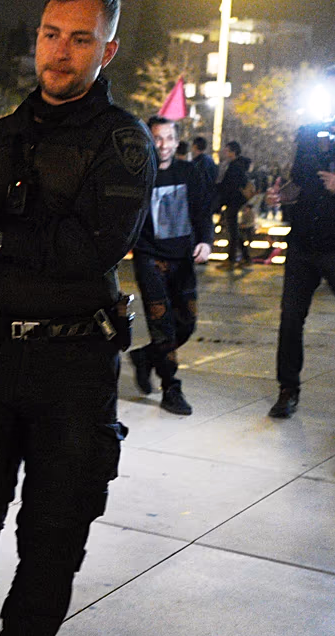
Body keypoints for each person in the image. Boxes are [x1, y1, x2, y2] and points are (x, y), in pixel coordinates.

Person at [0, 0, 154, 636]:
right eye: (52, 35)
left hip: (74, 365)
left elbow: (89, 248)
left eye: (80, 39)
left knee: (54, 539)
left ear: (107, 50)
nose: (61, 51)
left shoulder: (123, 142)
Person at [266, 65, 335, 432]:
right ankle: (287, 391)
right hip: (302, 243)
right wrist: (281, 195)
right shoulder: (309, 133)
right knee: (290, 320)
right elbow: (298, 184)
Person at [128, 116, 213, 415]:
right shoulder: (137, 175)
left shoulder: (190, 173)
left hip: (183, 260)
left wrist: (206, 241)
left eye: (168, 138)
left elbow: (203, 212)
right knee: (162, 325)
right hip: (149, 257)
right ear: (148, 141)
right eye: (156, 138)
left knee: (186, 324)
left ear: (177, 142)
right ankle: (171, 387)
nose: (162, 145)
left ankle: (145, 357)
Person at [215, 140, 252, 265]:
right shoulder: (238, 165)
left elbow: (230, 186)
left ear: (233, 152)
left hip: (233, 202)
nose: (225, 153)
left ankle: (232, 259)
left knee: (233, 231)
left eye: (227, 150)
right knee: (234, 229)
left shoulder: (235, 167)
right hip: (235, 201)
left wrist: (221, 199)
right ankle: (245, 257)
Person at [191, 135, 218, 208]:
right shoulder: (210, 161)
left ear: (195, 146)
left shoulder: (197, 163)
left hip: (199, 200)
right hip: (209, 199)